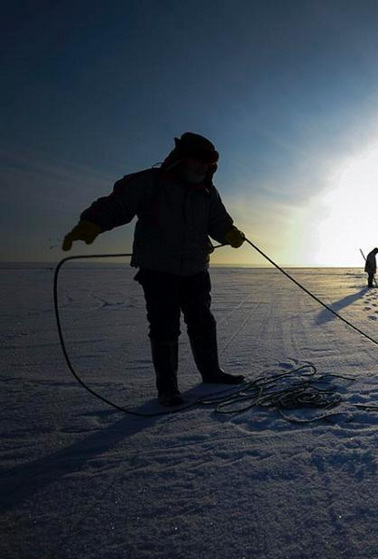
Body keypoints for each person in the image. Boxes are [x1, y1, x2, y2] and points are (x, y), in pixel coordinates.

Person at [62, 132, 247, 406]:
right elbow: (118, 204)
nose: (200, 167)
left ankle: (211, 373)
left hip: (196, 268)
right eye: (196, 161)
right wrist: (93, 223)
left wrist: (229, 233)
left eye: (206, 164)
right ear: (182, 159)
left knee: (203, 322)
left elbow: (218, 221)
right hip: (159, 269)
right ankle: (168, 388)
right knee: (164, 326)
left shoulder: (208, 192)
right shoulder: (152, 182)